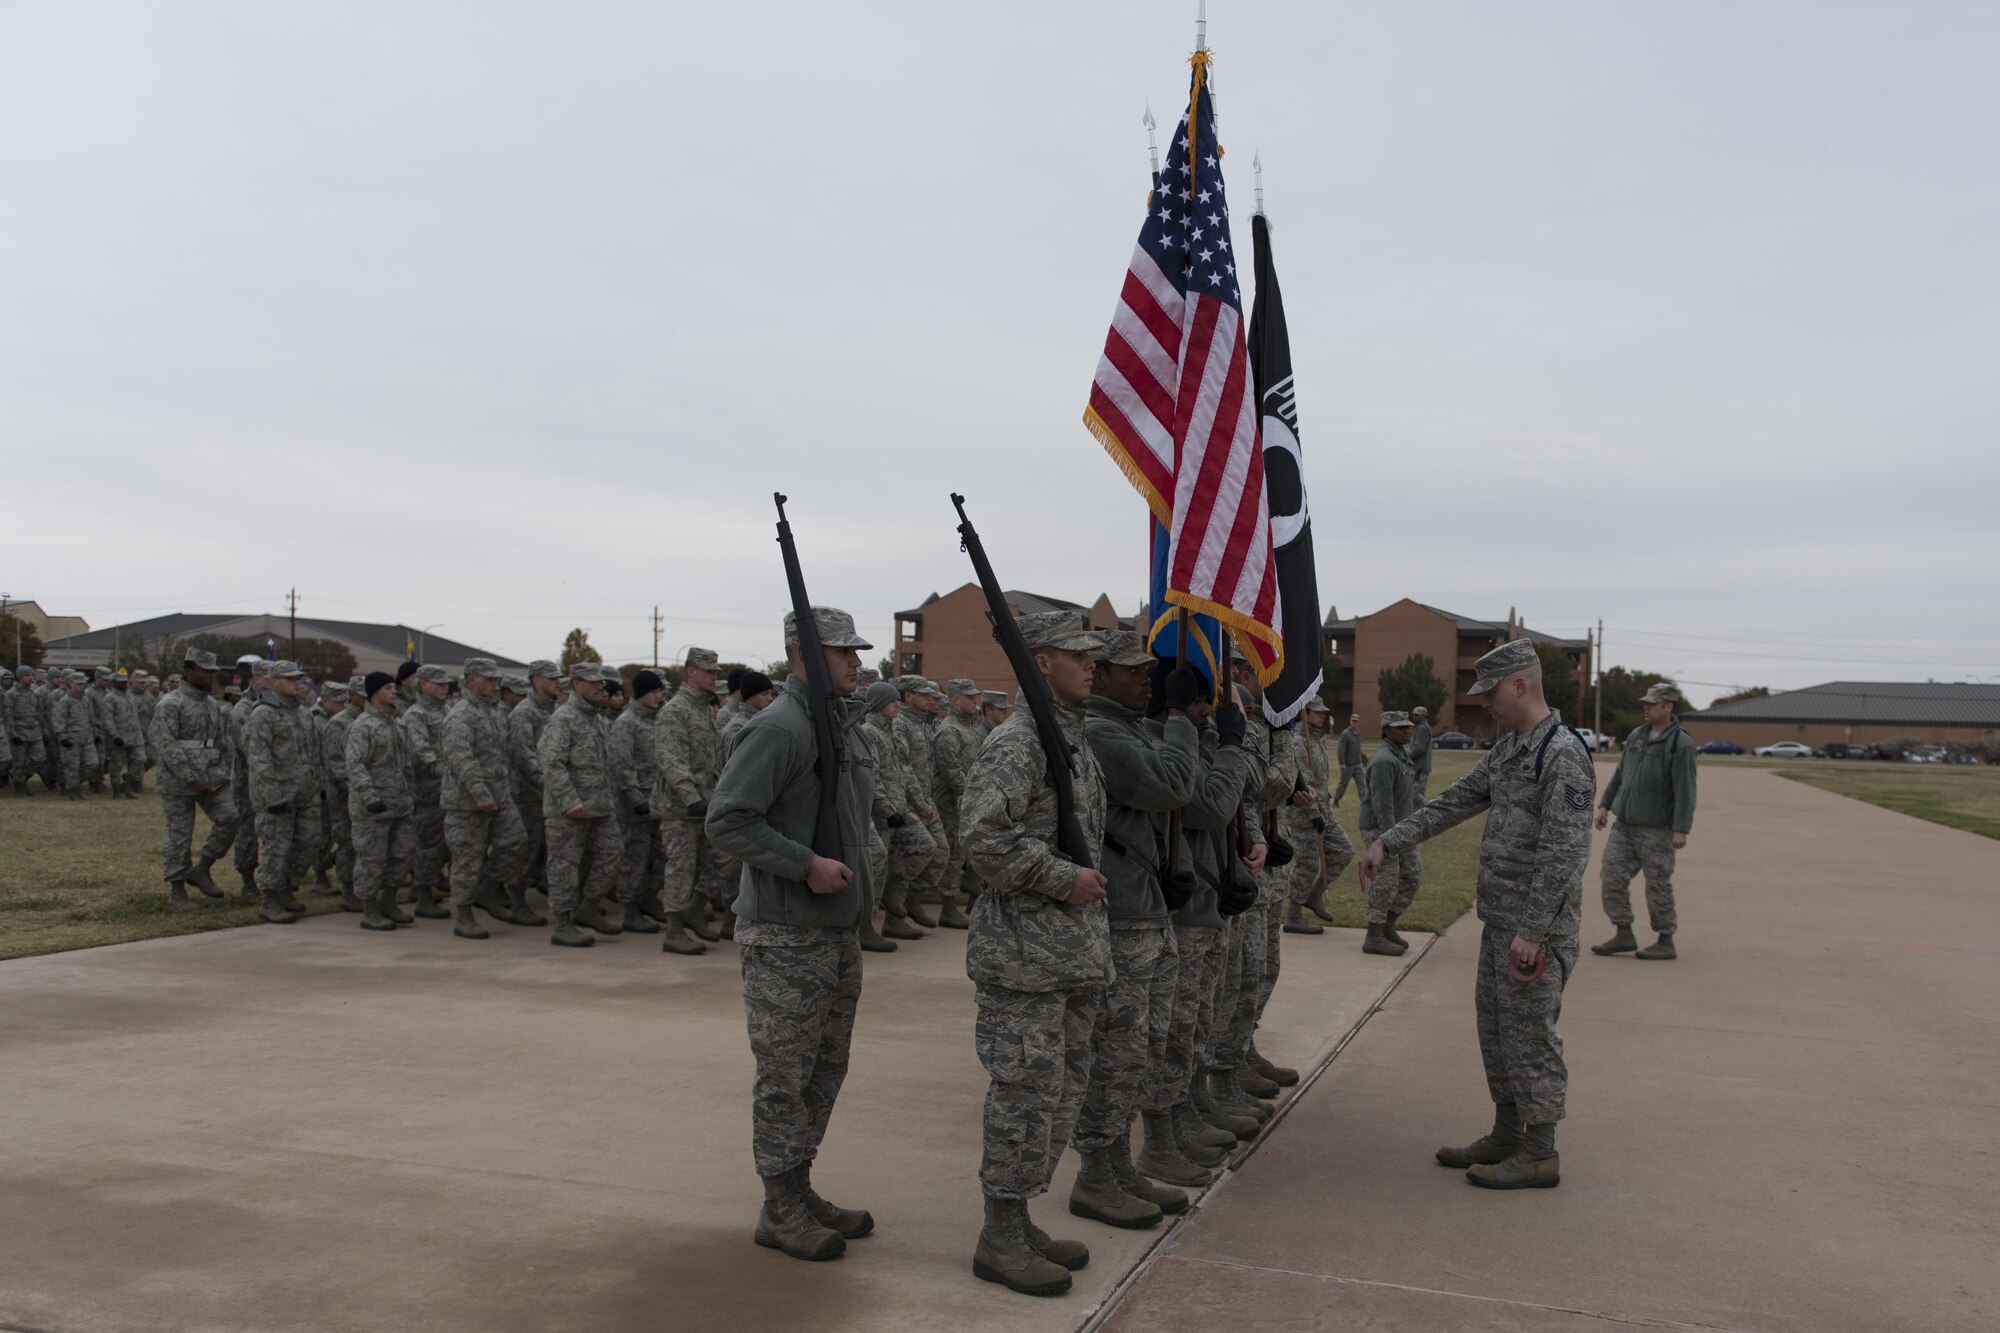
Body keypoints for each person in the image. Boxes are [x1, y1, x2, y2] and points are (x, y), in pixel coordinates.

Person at [1357, 637, 1595, 1190]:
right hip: (1502, 923)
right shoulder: (1512, 747)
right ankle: (1508, 1133)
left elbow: (1564, 857)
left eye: (1489, 693)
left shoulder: (1560, 753)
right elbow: (1455, 800)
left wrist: (1533, 931)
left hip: (1534, 933)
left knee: (1530, 1035)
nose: (1484, 703)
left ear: (1519, 685)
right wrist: (1388, 842)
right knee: (1497, 1032)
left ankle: (1540, 1152)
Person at [705, 605, 878, 1263]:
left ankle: (799, 1188)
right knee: (785, 1073)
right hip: (786, 935)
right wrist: (803, 863)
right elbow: (727, 820)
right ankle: (779, 1206)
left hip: (837, 930)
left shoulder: (835, 725)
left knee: (823, 1069)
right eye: (844, 652)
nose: (857, 662)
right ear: (805, 655)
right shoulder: (779, 728)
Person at [960, 609, 1109, 1298]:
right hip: (1023, 956)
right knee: (1023, 1092)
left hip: (1070, 953)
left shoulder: (1069, 741)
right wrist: (1062, 877)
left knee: (1062, 1088)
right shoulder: (1017, 742)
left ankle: (1020, 1218)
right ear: (1040, 661)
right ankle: (1000, 1232)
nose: (1091, 665)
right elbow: (984, 840)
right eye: (1077, 655)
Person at [1071, 633, 1202, 1227]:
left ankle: (1118, 1163)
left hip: (1145, 906)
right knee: (1118, 1049)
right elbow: (1175, 786)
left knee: (1142, 1046)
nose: (1147, 678)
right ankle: (1097, 1173)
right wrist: (1177, 719)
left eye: (1150, 670)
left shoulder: (1126, 728)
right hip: (1121, 911)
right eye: (1132, 670)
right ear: (1097, 676)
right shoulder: (1101, 733)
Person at [1593, 682, 1696, 961]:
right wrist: (1604, 805)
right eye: (1645, 703)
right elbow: (1621, 773)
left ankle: (1665, 940)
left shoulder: (1680, 744)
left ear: (1668, 707)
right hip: (1625, 824)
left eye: (1652, 704)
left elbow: (1686, 790)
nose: (1645, 707)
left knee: (1657, 884)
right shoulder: (1637, 735)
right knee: (1611, 877)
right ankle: (1623, 933)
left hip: (1657, 829)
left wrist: (1680, 828)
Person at [440, 657, 530, 940]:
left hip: (500, 795)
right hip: (467, 801)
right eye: (489, 679)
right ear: (471, 680)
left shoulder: (492, 712)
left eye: (496, 680)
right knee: (468, 858)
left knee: (516, 840)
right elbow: (461, 758)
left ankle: (488, 889)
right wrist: (480, 793)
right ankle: (464, 915)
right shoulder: (461, 715)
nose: (495, 684)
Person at [538, 662, 622, 947]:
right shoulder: (565, 718)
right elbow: (552, 763)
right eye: (593, 682)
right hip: (569, 810)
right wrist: (569, 801)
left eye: (602, 682)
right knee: (564, 866)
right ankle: (562, 923)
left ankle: (588, 906)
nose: (601, 687)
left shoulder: (598, 719)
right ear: (576, 685)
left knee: (613, 852)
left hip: (600, 805)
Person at [655, 647, 734, 945]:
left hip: (708, 801)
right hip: (681, 807)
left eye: (716, 672)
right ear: (690, 672)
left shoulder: (704, 708)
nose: (715, 677)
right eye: (709, 671)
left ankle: (695, 909)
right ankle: (674, 930)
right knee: (681, 866)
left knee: (724, 858)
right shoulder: (675, 711)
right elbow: (671, 759)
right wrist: (690, 797)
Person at [150, 649, 238, 909]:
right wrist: (189, 777)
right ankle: (177, 889)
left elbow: (220, 743)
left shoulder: (212, 705)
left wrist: (224, 770)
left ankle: (202, 867)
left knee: (231, 817)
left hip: (211, 776)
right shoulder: (171, 703)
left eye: (213, 671)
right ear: (189, 670)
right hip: (179, 781)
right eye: (205, 670)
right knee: (179, 835)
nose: (211, 675)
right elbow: (165, 745)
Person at [242, 661, 320, 925]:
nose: (297, 683)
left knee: (309, 842)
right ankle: (269, 899)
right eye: (290, 679)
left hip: (304, 791)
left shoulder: (304, 713)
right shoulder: (263, 714)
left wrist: (315, 784)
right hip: (276, 794)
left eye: (299, 678)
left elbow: (312, 754)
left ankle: (286, 886)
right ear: (273, 682)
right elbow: (258, 759)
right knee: (276, 848)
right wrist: (270, 795)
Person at [347, 671, 419, 931]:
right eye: (388, 688)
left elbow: (406, 764)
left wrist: (411, 794)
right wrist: (370, 797)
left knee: (404, 853)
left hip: (399, 802)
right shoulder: (363, 725)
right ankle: (369, 908)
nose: (393, 692)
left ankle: (389, 901)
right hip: (373, 807)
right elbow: (355, 766)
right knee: (372, 858)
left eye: (393, 688)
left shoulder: (397, 724)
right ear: (374, 692)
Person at [1283, 698, 1354, 934]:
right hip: (1305, 814)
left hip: (1324, 812)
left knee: (1345, 850)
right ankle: (1293, 915)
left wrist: (1323, 810)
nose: (1322, 716)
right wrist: (1314, 813)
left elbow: (1321, 783)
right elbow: (1304, 783)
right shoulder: (1298, 742)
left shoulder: (1317, 740)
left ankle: (1313, 896)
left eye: (1324, 712)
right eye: (1317, 712)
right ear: (1304, 713)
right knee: (1308, 864)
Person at [609, 668, 670, 940]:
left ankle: (649, 898)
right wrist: (636, 799)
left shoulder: (658, 719)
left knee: (661, 855)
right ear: (643, 692)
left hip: (659, 800)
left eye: (661, 691)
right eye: (655, 691)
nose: (660, 696)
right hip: (636, 805)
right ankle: (630, 910)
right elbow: (622, 765)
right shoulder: (626, 723)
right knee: (635, 858)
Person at [1359, 712, 1422, 956]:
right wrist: (1387, 841)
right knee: (1386, 880)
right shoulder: (1385, 760)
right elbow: (1382, 805)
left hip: (1399, 827)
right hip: (1380, 828)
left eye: (1408, 726)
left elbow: (1409, 793)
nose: (1407, 731)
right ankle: (1373, 936)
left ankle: (1387, 925)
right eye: (1400, 728)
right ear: (1386, 730)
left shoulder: (1400, 756)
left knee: (1412, 874)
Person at [891, 676, 950, 928]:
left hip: (926, 798)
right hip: (906, 802)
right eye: (924, 695)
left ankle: (912, 900)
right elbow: (905, 769)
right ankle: (894, 913)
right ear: (908, 697)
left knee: (941, 851)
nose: (931, 699)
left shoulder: (924, 723)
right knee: (914, 852)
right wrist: (920, 804)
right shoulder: (900, 724)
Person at [508, 659, 562, 921]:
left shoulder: (554, 711)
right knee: (526, 849)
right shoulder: (523, 713)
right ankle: (515, 899)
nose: (557, 682)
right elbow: (525, 757)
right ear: (536, 680)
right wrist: (550, 785)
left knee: (544, 849)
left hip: (549, 795)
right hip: (529, 795)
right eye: (551, 678)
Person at [929, 678, 984, 929]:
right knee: (952, 855)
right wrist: (972, 798)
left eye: (976, 697)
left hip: (965, 801)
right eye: (970, 697)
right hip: (951, 803)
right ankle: (948, 909)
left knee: (959, 853)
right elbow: (952, 773)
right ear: (955, 699)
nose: (975, 702)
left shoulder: (968, 728)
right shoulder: (949, 730)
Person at [400, 664, 453, 919]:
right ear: (423, 685)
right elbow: (421, 751)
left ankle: (433, 884)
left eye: (446, 683)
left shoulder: (449, 712)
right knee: (429, 844)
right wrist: (446, 772)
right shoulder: (415, 715)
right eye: (439, 683)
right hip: (428, 790)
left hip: (451, 790)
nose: (445, 687)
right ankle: (422, 894)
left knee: (446, 844)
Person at [52, 670, 93, 799]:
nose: (81, 686)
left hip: (86, 738)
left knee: (91, 764)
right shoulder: (65, 701)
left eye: (83, 684)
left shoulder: (86, 700)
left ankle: (76, 787)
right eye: (78, 684)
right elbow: (58, 719)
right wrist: (62, 737)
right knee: (72, 767)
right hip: (71, 739)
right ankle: (72, 791)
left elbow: (91, 718)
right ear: (71, 684)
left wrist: (94, 733)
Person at [1333, 713, 1366, 806]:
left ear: (1358, 722)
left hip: (1358, 765)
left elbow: (1359, 749)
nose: (1355, 723)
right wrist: (1342, 763)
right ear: (1350, 721)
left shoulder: (1358, 733)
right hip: (1348, 765)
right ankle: (1336, 800)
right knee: (1343, 784)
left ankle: (1364, 802)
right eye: (1353, 721)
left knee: (1362, 785)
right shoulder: (1345, 734)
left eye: (1356, 721)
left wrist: (1362, 760)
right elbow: (1341, 749)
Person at [1409, 704, 1435, 800]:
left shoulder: (1422, 728)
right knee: (1418, 793)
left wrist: (1406, 756)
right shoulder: (1424, 727)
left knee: (1416, 795)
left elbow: (1419, 749)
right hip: (1422, 766)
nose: (1414, 717)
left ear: (1423, 716)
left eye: (1417, 715)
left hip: (1420, 766)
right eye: (1414, 715)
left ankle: (1429, 812)